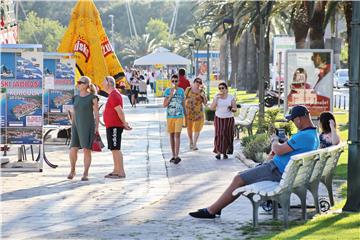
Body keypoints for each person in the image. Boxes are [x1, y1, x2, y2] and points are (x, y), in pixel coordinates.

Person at [189, 105, 320, 219]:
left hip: (276, 171)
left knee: (238, 179)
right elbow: (290, 149)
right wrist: (284, 143)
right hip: (281, 171)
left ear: (299, 119)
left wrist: (274, 141)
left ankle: (212, 210)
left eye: (293, 120)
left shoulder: (304, 136)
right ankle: (218, 206)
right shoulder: (312, 135)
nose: (293, 123)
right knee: (241, 176)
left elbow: (279, 150)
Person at [68, 76, 99, 181]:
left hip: (87, 125)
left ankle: (85, 173)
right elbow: (73, 112)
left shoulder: (92, 97)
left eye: (81, 82)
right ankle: (72, 170)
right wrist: (72, 122)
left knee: (86, 150)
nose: (79, 84)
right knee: (73, 149)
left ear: (86, 85)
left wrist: (97, 126)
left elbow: (96, 113)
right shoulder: (75, 97)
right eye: (78, 82)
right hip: (76, 126)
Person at [102, 76, 132, 178]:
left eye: (103, 81)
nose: (102, 83)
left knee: (116, 148)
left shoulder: (114, 95)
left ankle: (121, 172)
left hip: (115, 126)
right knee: (113, 148)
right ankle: (116, 170)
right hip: (111, 126)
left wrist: (124, 123)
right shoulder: (112, 95)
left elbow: (120, 111)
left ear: (109, 83)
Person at [210, 82, 237, 160]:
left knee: (227, 135)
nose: (221, 90)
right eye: (219, 88)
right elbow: (212, 108)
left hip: (228, 118)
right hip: (219, 118)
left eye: (223, 88)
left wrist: (232, 109)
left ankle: (225, 152)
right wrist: (216, 99)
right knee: (219, 134)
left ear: (226, 89)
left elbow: (235, 108)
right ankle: (218, 152)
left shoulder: (230, 97)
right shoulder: (216, 96)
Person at [163, 74, 186, 164]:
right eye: (173, 81)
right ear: (170, 82)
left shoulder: (181, 91)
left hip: (179, 116)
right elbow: (164, 105)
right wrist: (170, 96)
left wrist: (186, 115)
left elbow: (183, 104)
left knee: (177, 135)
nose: (174, 83)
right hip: (170, 116)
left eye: (176, 81)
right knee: (171, 136)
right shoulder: (168, 91)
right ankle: (173, 155)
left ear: (178, 82)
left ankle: (177, 155)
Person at [184, 77, 207, 150]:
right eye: (197, 82)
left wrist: (204, 97)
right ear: (193, 83)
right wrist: (184, 110)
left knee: (197, 128)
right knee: (189, 128)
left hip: (198, 113)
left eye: (200, 82)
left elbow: (205, 103)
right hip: (189, 112)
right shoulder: (188, 89)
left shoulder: (202, 91)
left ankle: (194, 144)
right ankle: (190, 141)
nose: (198, 83)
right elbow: (184, 99)